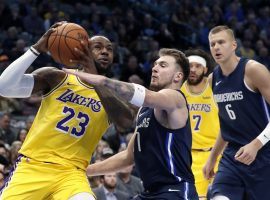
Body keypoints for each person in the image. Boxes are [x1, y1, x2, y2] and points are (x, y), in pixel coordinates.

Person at [0, 22, 135, 200]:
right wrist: (36, 49)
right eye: (98, 47)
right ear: (82, 50)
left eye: (109, 49)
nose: (105, 52)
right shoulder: (57, 77)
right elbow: (5, 87)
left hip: (72, 173)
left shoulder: (116, 93)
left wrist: (96, 80)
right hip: (33, 166)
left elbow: (126, 122)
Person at [64, 48, 199, 199]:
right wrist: (83, 170)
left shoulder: (176, 98)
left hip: (175, 191)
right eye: (155, 64)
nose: (154, 68)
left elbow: (147, 97)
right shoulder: (144, 110)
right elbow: (128, 157)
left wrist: (102, 81)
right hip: (150, 193)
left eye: (163, 65)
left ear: (178, 76)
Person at [203, 25, 270, 200]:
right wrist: (212, 158)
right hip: (233, 157)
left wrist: (256, 144)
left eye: (221, 42)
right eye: (212, 44)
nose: (216, 47)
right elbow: (227, 125)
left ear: (234, 45)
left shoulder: (253, 70)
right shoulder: (212, 79)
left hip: (264, 153)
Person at [181, 49, 220, 199]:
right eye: (190, 65)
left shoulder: (215, 87)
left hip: (218, 153)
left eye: (198, 66)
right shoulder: (179, 89)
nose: (193, 69)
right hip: (190, 156)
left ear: (205, 69)